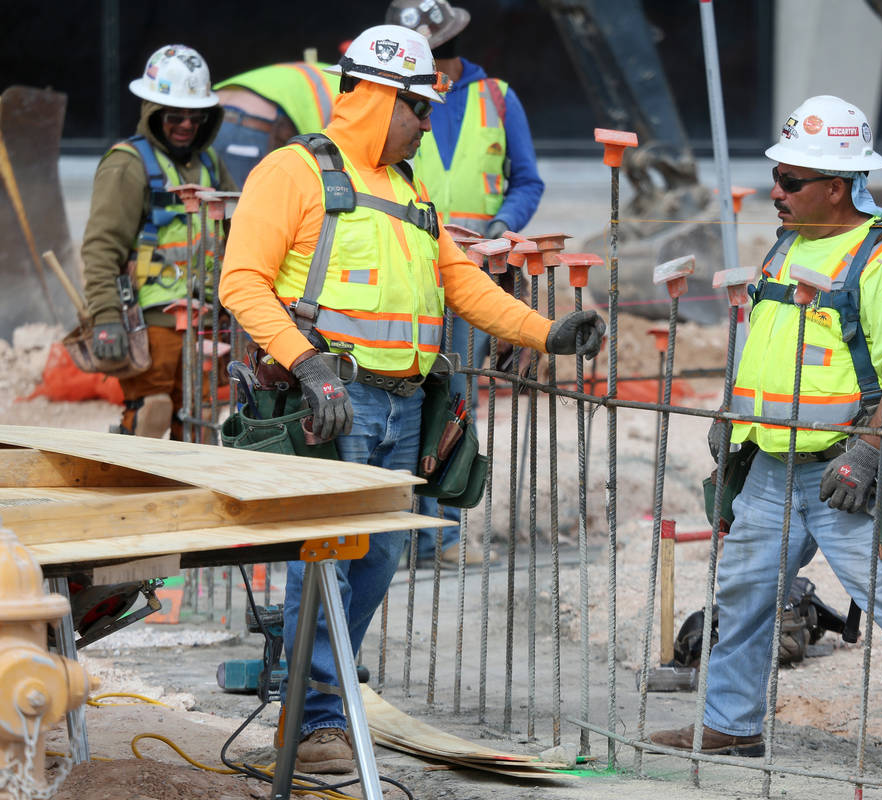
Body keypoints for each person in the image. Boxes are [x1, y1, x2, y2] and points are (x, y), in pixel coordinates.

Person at [218, 23, 604, 775]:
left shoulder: (407, 188)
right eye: (419, 109)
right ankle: (315, 719)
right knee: (325, 562)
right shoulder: (293, 172)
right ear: (377, 99)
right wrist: (309, 366)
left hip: (402, 407)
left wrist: (545, 334)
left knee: (379, 558)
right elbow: (242, 283)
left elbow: (458, 280)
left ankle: (317, 697)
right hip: (332, 404)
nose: (428, 125)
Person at [648, 95, 882, 788]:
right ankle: (731, 724)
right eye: (778, 178)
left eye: (792, 182)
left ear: (838, 186)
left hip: (846, 475)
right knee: (740, 596)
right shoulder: (788, 247)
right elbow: (773, 345)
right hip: (771, 467)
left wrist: (866, 453)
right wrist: (730, 417)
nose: (777, 192)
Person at [387, 0, 547, 567]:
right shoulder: (393, 104)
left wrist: (500, 231)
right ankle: (393, 530)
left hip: (470, 275)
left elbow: (527, 180)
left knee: (454, 401)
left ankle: (440, 536)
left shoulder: (496, 98)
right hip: (403, 273)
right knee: (392, 395)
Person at [82, 44, 236, 439]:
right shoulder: (127, 165)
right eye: (175, 116)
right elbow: (102, 249)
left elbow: (238, 231)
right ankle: (133, 499)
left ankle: (188, 501)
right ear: (153, 113)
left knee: (200, 426)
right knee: (150, 414)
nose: (186, 125)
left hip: (205, 325)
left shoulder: (210, 165)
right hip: (150, 326)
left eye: (196, 116)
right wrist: (105, 318)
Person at [212, 60, 341, 187]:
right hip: (253, 124)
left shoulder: (324, 75)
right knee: (247, 200)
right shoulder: (347, 93)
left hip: (212, 111)